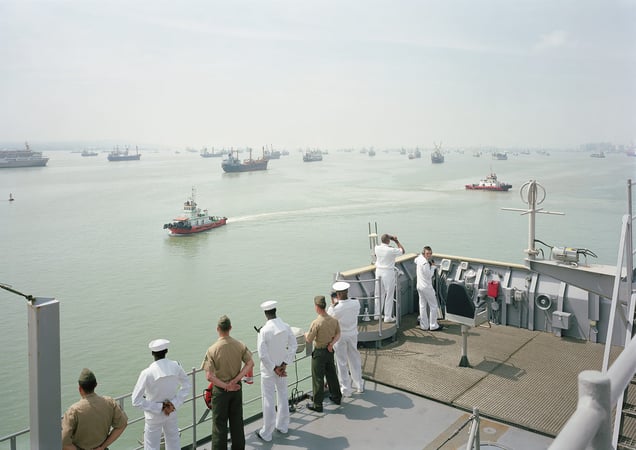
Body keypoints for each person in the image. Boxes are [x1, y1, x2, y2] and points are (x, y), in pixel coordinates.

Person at [202, 315, 254, 450]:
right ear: (230, 328)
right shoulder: (240, 345)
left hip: (220, 391)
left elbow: (209, 376)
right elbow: (250, 363)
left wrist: (226, 386)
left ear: (217, 329)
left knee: (219, 425)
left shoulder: (212, 350)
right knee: (237, 422)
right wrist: (235, 380)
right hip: (236, 388)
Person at [132, 338, 191, 450]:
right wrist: (174, 403)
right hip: (171, 411)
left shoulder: (147, 373)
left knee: (151, 446)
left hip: (153, 416)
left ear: (152, 353)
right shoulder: (176, 366)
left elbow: (135, 400)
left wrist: (160, 407)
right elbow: (187, 385)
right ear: (166, 351)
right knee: (174, 443)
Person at [255, 300, 298, 442]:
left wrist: (274, 368)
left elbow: (262, 354)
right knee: (283, 395)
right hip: (282, 368)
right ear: (275, 311)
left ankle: (267, 432)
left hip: (269, 371)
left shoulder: (264, 331)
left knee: (268, 399)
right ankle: (283, 426)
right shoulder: (286, 326)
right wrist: (284, 364)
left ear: (265, 313)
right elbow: (294, 345)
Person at [61, 368, 128, 450]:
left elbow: (63, 442)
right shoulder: (110, 403)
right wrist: (102, 446)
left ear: (80, 388)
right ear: (96, 385)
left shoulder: (73, 411)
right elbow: (122, 425)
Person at [305, 295, 342, 412]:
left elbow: (309, 339)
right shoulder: (334, 320)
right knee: (332, 375)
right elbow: (338, 334)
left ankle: (317, 405)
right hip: (329, 351)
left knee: (318, 378)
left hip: (319, 353)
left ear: (317, 307)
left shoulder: (316, 323)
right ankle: (336, 397)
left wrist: (305, 334)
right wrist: (331, 344)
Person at [328, 281, 364, 396]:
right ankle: (359, 385)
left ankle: (346, 389)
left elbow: (329, 320)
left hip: (340, 336)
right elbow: (355, 313)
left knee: (342, 362)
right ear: (347, 292)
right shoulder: (355, 303)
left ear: (338, 294)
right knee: (355, 359)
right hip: (353, 334)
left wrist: (333, 304)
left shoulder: (335, 308)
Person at [374, 233, 405, 322]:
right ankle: (387, 316)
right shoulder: (391, 250)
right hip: (388, 272)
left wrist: (389, 238)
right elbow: (402, 251)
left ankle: (377, 315)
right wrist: (396, 241)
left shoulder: (376, 248)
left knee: (378, 294)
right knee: (389, 294)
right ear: (388, 241)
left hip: (378, 271)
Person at [415, 246, 443, 331]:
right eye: (427, 253)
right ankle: (433, 325)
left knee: (422, 305)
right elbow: (429, 275)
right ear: (424, 253)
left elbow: (415, 260)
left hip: (419, 286)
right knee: (433, 306)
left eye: (430, 253)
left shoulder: (419, 259)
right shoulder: (425, 263)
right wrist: (433, 267)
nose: (429, 255)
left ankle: (424, 325)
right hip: (426, 287)